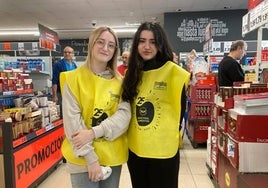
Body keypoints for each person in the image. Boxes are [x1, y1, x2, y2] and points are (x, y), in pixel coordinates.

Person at [121, 22, 191, 188]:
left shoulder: (174, 73)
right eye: (142, 41)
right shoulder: (131, 74)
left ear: (161, 44)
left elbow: (180, 113)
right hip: (136, 150)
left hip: (164, 152)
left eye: (153, 42)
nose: (147, 46)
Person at [61, 26, 131, 188]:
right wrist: (91, 159)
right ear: (91, 44)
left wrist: (93, 132)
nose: (105, 48)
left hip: (111, 155)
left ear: (115, 50)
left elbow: (123, 117)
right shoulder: (73, 79)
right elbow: (73, 123)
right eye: (100, 42)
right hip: (81, 157)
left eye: (111, 45)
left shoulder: (121, 83)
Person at [52, 46, 77, 117]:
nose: (67, 54)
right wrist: (55, 95)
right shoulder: (58, 64)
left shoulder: (74, 65)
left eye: (69, 52)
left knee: (70, 111)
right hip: (61, 92)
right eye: (65, 52)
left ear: (73, 54)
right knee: (62, 112)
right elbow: (54, 81)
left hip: (71, 92)